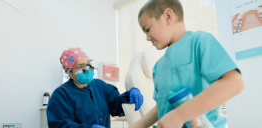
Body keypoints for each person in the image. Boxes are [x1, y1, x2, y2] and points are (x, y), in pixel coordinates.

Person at [130, 0, 245, 128]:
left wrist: (179, 115)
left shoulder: (199, 42)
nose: (147, 37)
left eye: (147, 29)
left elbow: (234, 83)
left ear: (168, 16)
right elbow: (160, 108)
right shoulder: (158, 67)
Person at [47, 47, 144, 128]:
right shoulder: (60, 95)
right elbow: (62, 125)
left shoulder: (100, 86)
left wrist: (129, 95)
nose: (87, 69)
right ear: (70, 73)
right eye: (81, 66)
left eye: (88, 63)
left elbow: (115, 104)